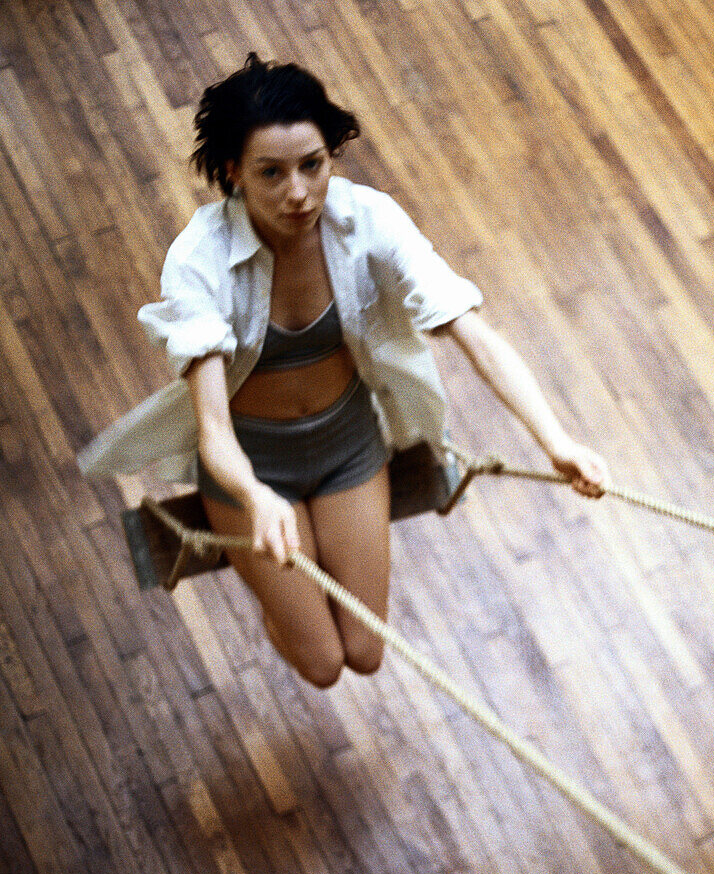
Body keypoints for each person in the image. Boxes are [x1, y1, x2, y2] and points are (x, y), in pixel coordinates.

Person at [79, 54, 608, 688]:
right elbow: (212, 430)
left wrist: (558, 442)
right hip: (250, 465)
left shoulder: (371, 220)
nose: (298, 192)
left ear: (332, 155)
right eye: (270, 173)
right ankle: (281, 611)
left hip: (348, 445)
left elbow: (471, 329)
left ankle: (292, 593)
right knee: (323, 665)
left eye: (313, 165)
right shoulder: (199, 259)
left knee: (365, 651)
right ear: (233, 174)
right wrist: (255, 497)